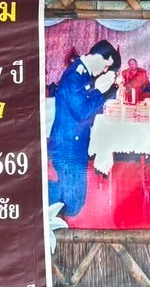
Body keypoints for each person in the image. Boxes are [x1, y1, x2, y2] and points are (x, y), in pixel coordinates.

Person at [46, 40, 121, 217]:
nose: (104, 71)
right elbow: (82, 112)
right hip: (67, 144)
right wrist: (102, 92)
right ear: (101, 57)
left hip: (74, 141)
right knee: (73, 206)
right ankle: (34, 194)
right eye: (106, 66)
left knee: (76, 202)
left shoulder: (83, 72)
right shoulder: (76, 75)